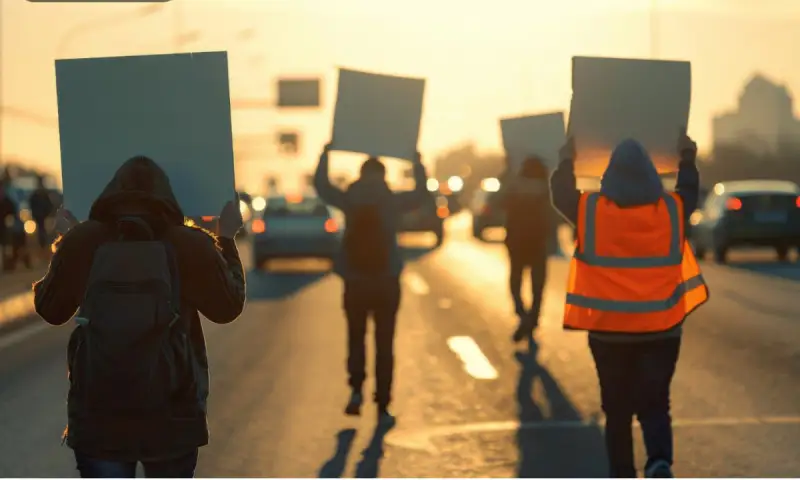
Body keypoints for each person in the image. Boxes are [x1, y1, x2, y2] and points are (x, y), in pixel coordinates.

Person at [33, 155, 246, 478]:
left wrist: (67, 241)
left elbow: (50, 309)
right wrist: (227, 238)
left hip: (98, 416)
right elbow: (228, 307)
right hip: (173, 417)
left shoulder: (84, 240)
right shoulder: (190, 243)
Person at [550, 132, 708, 478]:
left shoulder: (590, 210)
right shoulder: (672, 211)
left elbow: (560, 193)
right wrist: (686, 158)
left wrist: (567, 159)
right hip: (662, 331)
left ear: (608, 177)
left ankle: (622, 472)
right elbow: (691, 191)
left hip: (609, 334)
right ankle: (659, 462)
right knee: (656, 404)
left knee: (617, 411)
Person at [313, 144, 430, 425]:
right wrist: (418, 163)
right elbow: (422, 195)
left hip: (355, 280)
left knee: (356, 336)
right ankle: (383, 402)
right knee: (384, 341)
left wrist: (325, 155)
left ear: (362, 174)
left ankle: (355, 391)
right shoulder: (392, 200)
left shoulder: (350, 198)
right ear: (383, 175)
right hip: (386, 280)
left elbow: (322, 187)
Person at [491, 155, 552, 343]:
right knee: (537, 285)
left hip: (517, 242)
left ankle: (524, 315)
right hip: (538, 242)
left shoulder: (514, 186)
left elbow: (497, 202)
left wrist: (507, 175)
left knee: (516, 281)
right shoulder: (546, 189)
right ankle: (532, 319)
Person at [29, 175, 56, 253]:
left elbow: (49, 205)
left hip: (42, 216)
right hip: (40, 216)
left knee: (41, 231)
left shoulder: (41, 194)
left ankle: (43, 247)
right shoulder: (39, 194)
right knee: (41, 231)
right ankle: (42, 247)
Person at [0, 181, 18, 271]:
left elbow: (13, 213)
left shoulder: (8, 202)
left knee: (7, 247)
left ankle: (7, 265)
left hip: (5, 228)